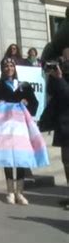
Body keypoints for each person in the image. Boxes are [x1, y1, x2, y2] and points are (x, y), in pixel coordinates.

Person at [0, 57, 38, 205]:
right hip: (5, 128)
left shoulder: (24, 86)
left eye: (11, 65)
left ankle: (20, 192)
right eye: (6, 66)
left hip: (21, 127)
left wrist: (27, 103)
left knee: (20, 158)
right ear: (2, 69)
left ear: (15, 68)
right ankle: (10, 191)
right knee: (8, 159)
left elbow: (34, 104)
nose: (9, 68)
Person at [45, 48, 69, 209]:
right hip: (62, 124)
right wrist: (52, 78)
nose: (64, 61)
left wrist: (60, 79)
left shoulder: (63, 77)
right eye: (63, 58)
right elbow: (51, 93)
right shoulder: (61, 74)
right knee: (66, 162)